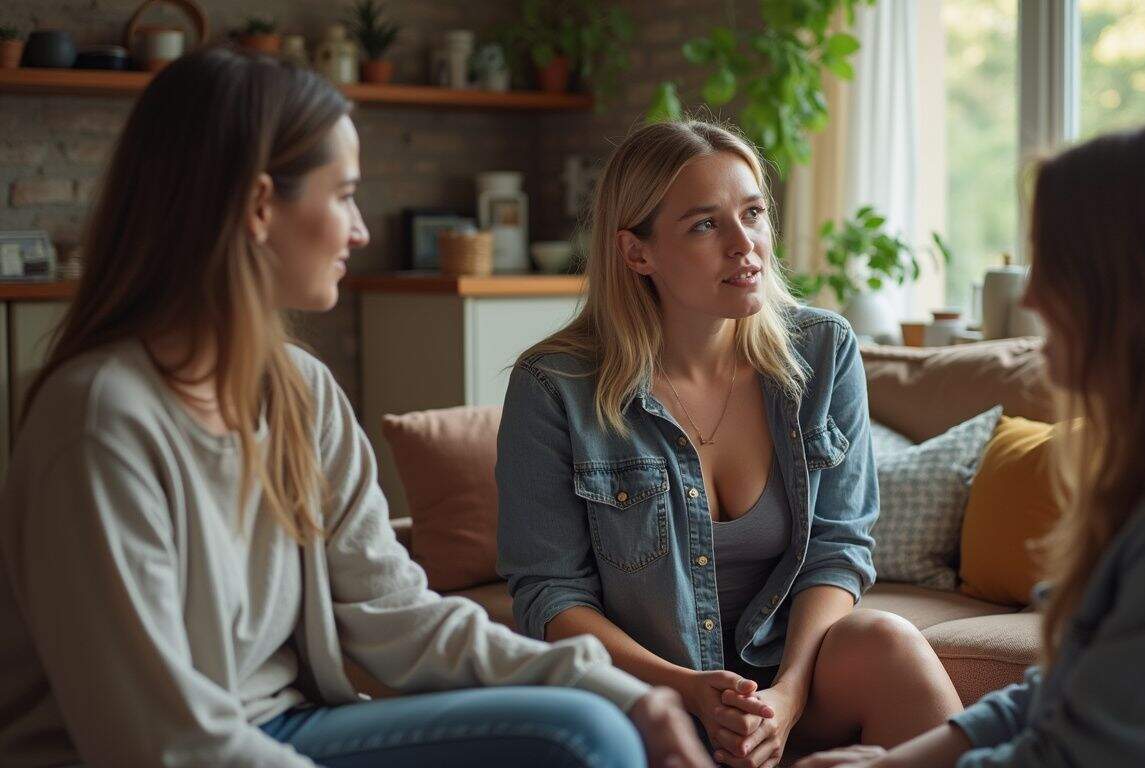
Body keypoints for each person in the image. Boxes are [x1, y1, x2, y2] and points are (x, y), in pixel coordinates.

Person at [0, 46, 709, 768]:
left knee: (595, 723)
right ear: (259, 207)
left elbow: (397, 615)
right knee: (584, 739)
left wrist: (620, 690)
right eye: (343, 195)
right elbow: (158, 741)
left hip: (288, 729)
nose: (361, 230)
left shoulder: (299, 391)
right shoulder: (100, 421)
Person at [796, 126, 1145, 768]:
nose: (1030, 298)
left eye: (1053, 266)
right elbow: (1068, 690)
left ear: (1138, 286)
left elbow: (1092, 757)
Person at [495, 120, 964, 768]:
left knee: (889, 641)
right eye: (704, 225)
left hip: (792, 681)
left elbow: (838, 548)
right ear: (636, 252)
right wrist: (688, 688)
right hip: (643, 692)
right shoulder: (555, 386)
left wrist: (788, 695)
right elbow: (551, 595)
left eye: (753, 214)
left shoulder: (823, 352)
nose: (745, 245)